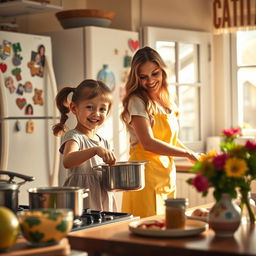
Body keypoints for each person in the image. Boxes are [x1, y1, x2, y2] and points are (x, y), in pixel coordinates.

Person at [120, 46, 201, 218]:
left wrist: (193, 154)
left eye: (155, 73)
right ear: (136, 78)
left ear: (163, 72)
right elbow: (148, 143)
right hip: (145, 177)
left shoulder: (166, 101)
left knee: (167, 226)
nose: (150, 81)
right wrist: (186, 154)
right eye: (143, 77)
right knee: (147, 231)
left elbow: (169, 140)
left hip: (165, 174)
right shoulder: (137, 101)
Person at [52, 79, 117, 211]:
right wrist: (94, 150)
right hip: (80, 202)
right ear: (74, 108)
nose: (96, 113)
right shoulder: (74, 137)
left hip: (103, 201)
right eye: (89, 107)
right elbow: (68, 161)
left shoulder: (104, 142)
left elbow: (110, 174)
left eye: (102, 109)